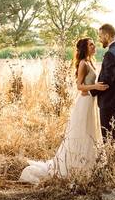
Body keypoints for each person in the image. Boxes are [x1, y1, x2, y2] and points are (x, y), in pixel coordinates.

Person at [19, 37, 108, 184]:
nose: (94, 46)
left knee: (90, 133)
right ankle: (71, 166)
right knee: (80, 133)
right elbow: (79, 86)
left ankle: (87, 166)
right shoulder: (83, 64)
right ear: (85, 48)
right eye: (91, 45)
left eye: (93, 44)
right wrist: (95, 87)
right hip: (84, 102)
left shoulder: (91, 61)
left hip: (91, 102)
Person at [91, 23, 115, 156]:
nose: (100, 39)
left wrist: (92, 91)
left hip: (110, 100)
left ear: (107, 35)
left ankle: (113, 162)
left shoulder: (111, 53)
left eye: (101, 36)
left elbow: (107, 80)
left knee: (108, 134)